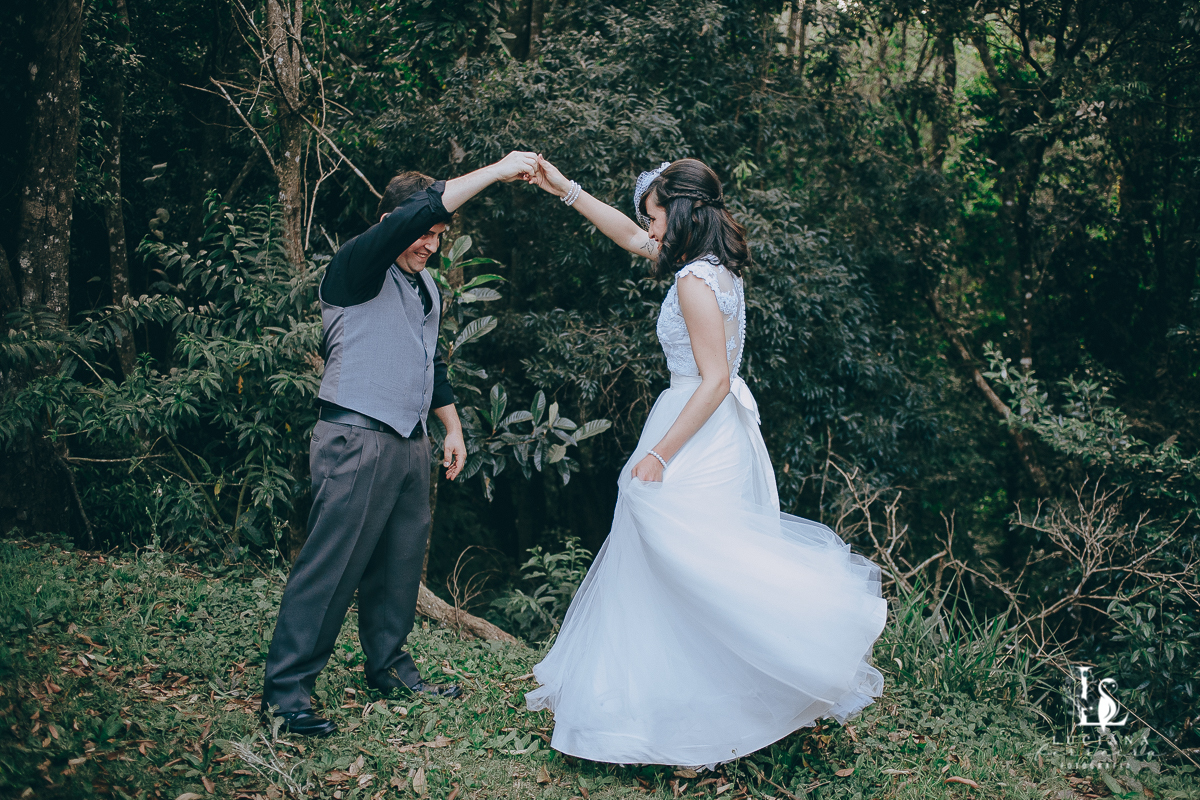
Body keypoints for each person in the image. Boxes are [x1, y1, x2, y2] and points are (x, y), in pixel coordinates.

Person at [524, 157, 888, 766]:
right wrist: (565, 189)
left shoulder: (693, 281)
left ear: (683, 213)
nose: (651, 228)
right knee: (684, 564)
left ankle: (715, 695)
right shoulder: (711, 268)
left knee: (697, 563)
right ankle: (677, 702)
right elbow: (625, 234)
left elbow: (714, 379)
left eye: (656, 216)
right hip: (713, 427)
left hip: (693, 426)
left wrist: (660, 456)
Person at [260, 151, 541, 738]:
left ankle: (388, 667)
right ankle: (286, 694)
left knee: (397, 565)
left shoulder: (426, 289)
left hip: (410, 441)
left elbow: (429, 361)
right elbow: (417, 213)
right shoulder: (356, 266)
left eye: (439, 238)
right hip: (356, 435)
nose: (430, 245)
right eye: (424, 232)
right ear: (392, 221)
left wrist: (454, 427)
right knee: (333, 566)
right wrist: (495, 170)